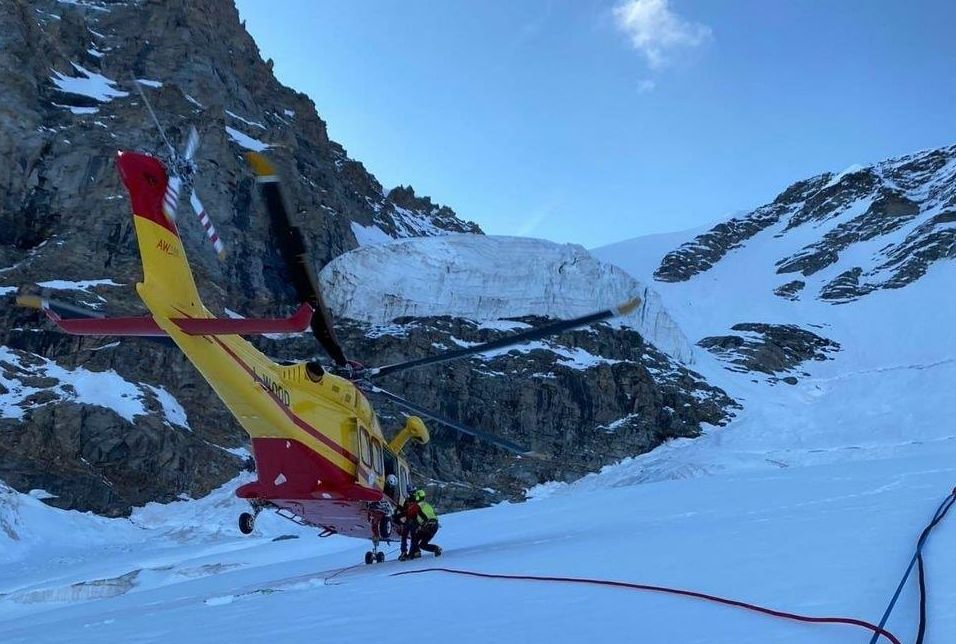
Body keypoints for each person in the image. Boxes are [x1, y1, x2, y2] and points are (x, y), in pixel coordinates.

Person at [396, 488, 442, 560]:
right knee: (422, 544)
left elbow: (408, 513)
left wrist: (396, 515)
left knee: (415, 538)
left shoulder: (417, 505)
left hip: (427, 526)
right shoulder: (427, 504)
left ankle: (412, 554)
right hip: (434, 526)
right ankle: (436, 548)